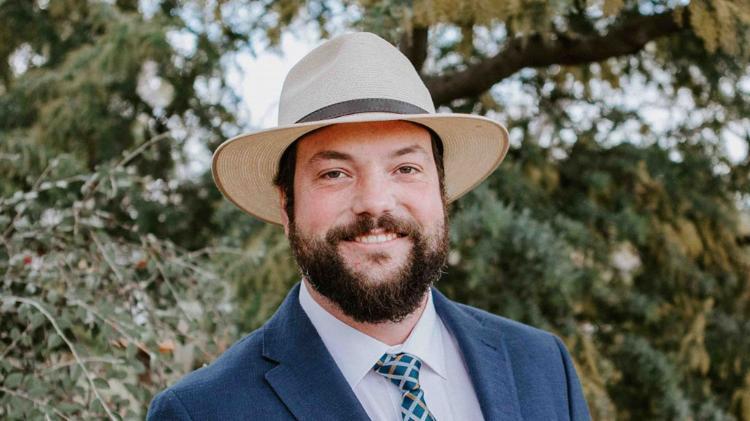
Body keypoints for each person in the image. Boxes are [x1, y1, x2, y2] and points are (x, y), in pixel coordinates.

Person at [147, 32, 591, 421]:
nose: (375, 203)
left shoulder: (541, 365)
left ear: (441, 190)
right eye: (335, 174)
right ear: (287, 205)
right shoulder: (203, 411)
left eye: (406, 168)